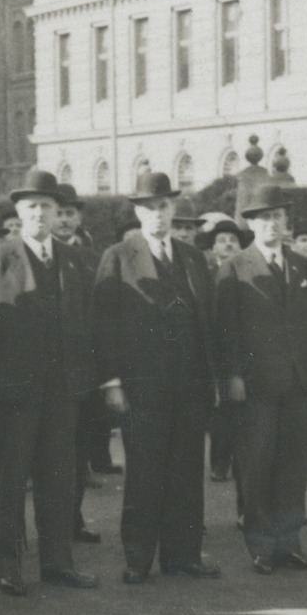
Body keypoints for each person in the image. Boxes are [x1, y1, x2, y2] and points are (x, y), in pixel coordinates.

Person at [0, 169, 100, 595]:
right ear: (19, 212)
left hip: (63, 392)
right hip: (14, 395)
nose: (41, 214)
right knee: (11, 482)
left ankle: (57, 562)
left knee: (59, 479)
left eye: (48, 206)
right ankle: (10, 567)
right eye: (32, 207)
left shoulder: (74, 261)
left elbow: (87, 326)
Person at [94, 170, 220, 585]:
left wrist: (211, 379)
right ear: (137, 212)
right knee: (145, 472)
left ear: (173, 208)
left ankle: (183, 556)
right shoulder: (118, 256)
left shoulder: (192, 258)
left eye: (163, 206)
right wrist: (111, 382)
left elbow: (208, 322)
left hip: (190, 386)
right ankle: (138, 557)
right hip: (142, 387)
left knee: (186, 472)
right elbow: (103, 324)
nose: (157, 215)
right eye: (148, 208)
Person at [216, 183, 307, 576]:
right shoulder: (235, 267)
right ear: (251, 224)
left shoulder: (299, 265)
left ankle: (290, 542)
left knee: (294, 467)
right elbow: (227, 329)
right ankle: (262, 546)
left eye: (278, 217)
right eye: (264, 218)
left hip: (297, 383)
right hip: (257, 384)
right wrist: (233, 375)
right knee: (258, 465)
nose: (272, 224)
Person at [54, 183, 111, 540]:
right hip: (48, 373)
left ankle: (72, 519)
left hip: (84, 373)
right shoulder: (33, 257)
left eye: (69, 213)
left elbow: (105, 317)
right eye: (58, 213)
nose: (63, 220)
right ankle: (54, 526)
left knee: (77, 455)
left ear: (79, 218)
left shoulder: (94, 258)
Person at [197, 217, 251, 485]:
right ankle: (219, 461)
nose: (228, 244)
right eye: (222, 240)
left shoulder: (247, 271)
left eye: (233, 240)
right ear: (213, 247)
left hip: (240, 350)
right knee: (220, 414)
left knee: (240, 416)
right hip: (212, 351)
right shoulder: (205, 272)